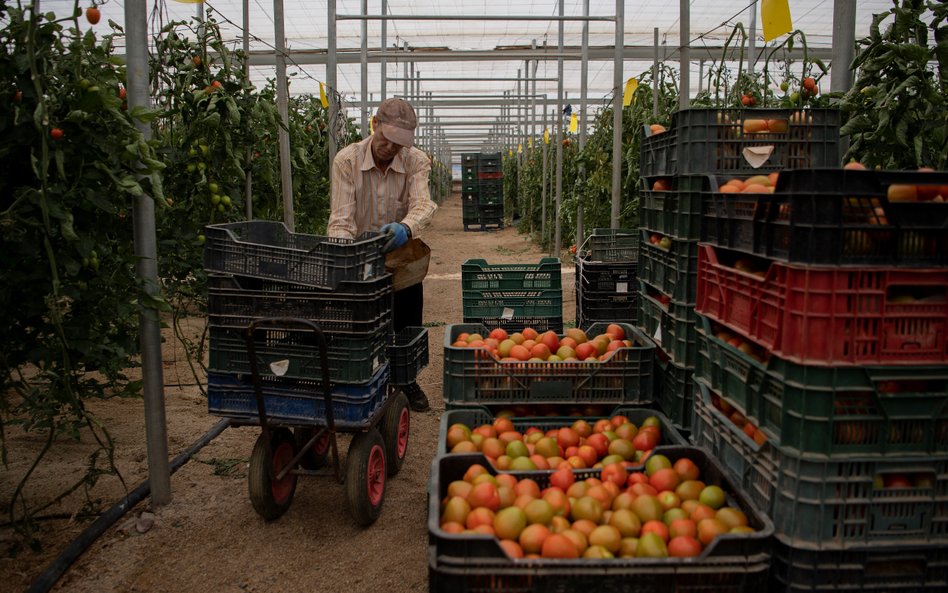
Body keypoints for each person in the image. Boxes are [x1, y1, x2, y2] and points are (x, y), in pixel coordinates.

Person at [327, 98, 437, 412]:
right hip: (360, 252)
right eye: (387, 140)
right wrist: (343, 258)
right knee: (362, 320)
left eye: (399, 144)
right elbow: (342, 219)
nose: (391, 148)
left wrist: (406, 226)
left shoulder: (415, 160)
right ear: (375, 125)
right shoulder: (347, 161)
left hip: (401, 252)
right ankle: (363, 379)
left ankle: (406, 379)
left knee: (406, 316)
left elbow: (423, 204)